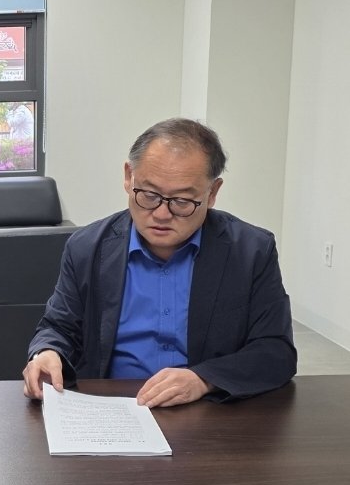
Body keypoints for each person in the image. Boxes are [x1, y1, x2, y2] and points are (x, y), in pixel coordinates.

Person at [23, 117, 296, 407]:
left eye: (182, 201)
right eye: (149, 195)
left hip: (209, 409)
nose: (162, 214)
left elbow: (276, 350)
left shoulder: (251, 252)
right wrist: (47, 352)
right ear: (129, 177)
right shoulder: (87, 248)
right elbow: (59, 327)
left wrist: (203, 379)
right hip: (113, 407)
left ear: (212, 193)